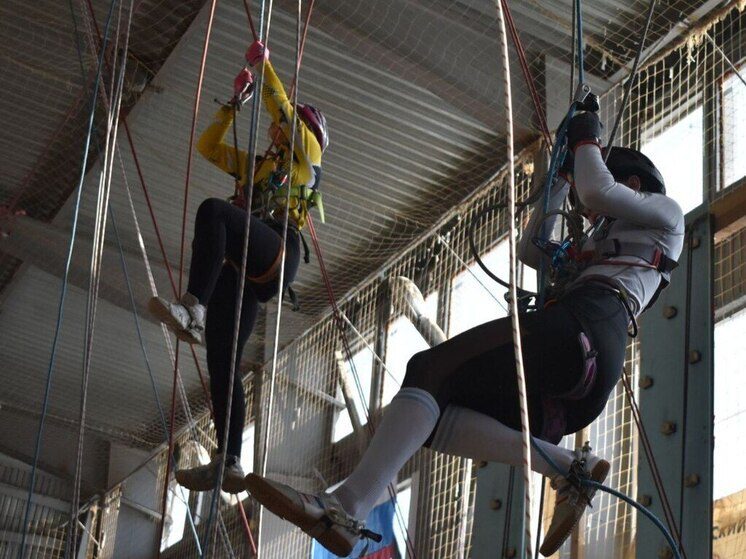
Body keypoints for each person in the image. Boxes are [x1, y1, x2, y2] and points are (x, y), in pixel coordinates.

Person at [245, 109, 684, 557]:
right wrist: (556, 181)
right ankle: (572, 467)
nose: (588, 212)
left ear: (633, 184)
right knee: (435, 414)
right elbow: (534, 249)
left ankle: (346, 506)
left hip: (581, 331)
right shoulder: (599, 242)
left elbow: (597, 188)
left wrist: (585, 136)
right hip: (584, 367)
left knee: (428, 368)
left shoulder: (666, 216)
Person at [149, 40, 328, 494]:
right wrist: (233, 105)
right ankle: (228, 460)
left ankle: (193, 306)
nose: (273, 131)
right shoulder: (261, 168)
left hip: (277, 251)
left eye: (283, 128)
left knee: (214, 211)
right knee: (222, 361)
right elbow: (209, 147)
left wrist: (264, 68)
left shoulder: (307, 163)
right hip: (244, 266)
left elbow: (284, 110)